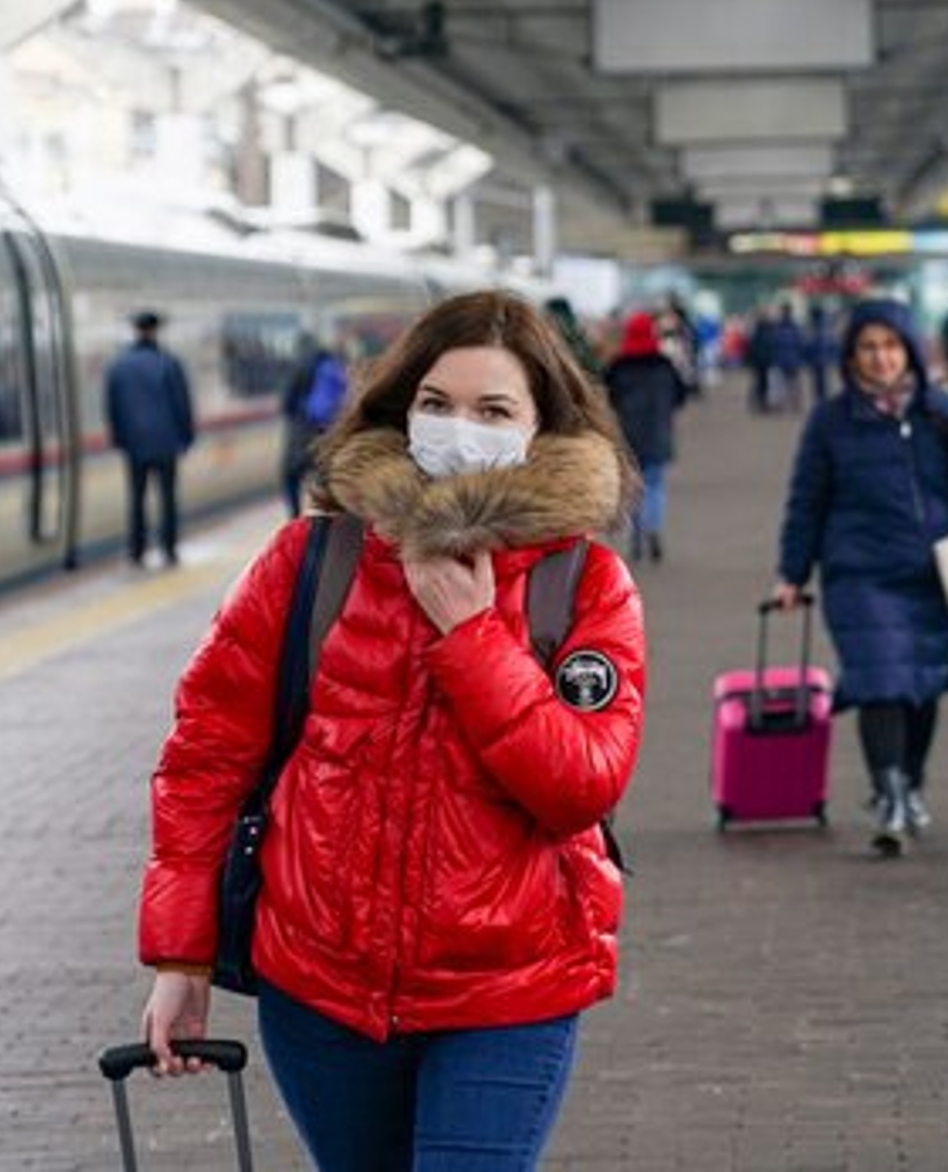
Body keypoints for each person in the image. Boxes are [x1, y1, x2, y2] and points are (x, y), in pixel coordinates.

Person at [137, 289, 646, 1170]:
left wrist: (475, 639)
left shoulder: (585, 584)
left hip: (507, 990)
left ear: (541, 429)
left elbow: (580, 789)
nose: (459, 429)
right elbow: (206, 757)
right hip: (320, 988)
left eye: (494, 410)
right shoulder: (312, 561)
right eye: (437, 404)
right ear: (400, 408)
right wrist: (180, 956)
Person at [771, 298, 948, 858]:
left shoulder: (938, 413)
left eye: (891, 346)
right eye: (869, 348)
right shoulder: (830, 420)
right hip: (859, 575)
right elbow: (807, 500)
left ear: (911, 352)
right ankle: (889, 792)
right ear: (851, 357)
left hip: (930, 573)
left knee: (922, 685)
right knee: (880, 681)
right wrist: (792, 573)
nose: (881, 358)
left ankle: (912, 784)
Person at [105, 311, 196, 566]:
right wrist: (186, 437)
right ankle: (169, 549)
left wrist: (120, 439)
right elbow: (181, 403)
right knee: (167, 498)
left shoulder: (119, 365)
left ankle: (137, 550)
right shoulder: (169, 362)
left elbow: (113, 407)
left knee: (136, 498)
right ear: (155, 331)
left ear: (136, 331)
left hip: (134, 445)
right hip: (167, 443)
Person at [604, 310, 687, 564]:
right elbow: (681, 395)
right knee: (655, 485)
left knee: (633, 488)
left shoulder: (618, 365)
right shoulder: (664, 364)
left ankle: (637, 534)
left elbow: (609, 397)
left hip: (628, 435)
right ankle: (653, 528)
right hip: (657, 432)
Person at [278, 333, 348, 517]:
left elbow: (286, 403)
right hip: (327, 431)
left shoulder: (299, 365)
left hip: (302, 432)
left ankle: (294, 517)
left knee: (290, 476)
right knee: (324, 477)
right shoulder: (332, 364)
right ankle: (325, 518)